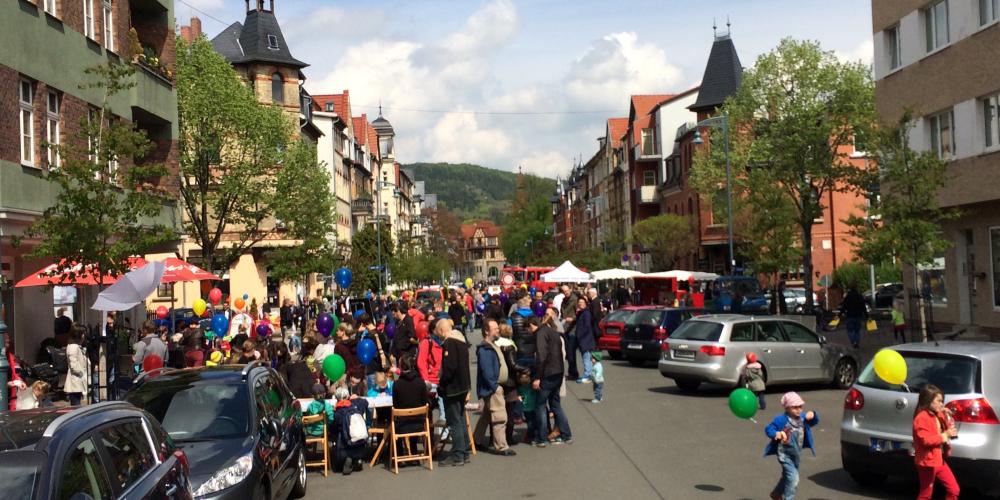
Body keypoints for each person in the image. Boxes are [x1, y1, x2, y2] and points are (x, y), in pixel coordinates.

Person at [764, 392, 820, 500]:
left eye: (800, 406)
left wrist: (813, 415)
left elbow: (814, 421)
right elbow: (769, 429)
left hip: (796, 454)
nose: (799, 409)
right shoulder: (781, 420)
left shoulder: (802, 418)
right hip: (785, 455)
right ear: (787, 408)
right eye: (795, 407)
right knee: (794, 479)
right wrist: (776, 433)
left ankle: (776, 493)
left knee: (787, 477)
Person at [474, 318, 515, 456]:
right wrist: (494, 386)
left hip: (493, 387)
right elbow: (486, 371)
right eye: (495, 328)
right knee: (499, 416)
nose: (498, 330)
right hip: (493, 388)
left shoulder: (492, 345)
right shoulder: (485, 348)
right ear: (487, 331)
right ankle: (501, 446)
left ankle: (476, 440)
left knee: (486, 415)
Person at [529, 316, 572, 446]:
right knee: (555, 404)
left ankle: (542, 438)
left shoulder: (540, 334)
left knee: (540, 405)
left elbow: (541, 357)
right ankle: (566, 434)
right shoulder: (553, 332)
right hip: (558, 371)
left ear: (531, 326)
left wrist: (537, 377)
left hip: (547, 373)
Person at [912, 384, 960, 500]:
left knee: (954, 490)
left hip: (938, 459)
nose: (941, 404)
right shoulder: (921, 418)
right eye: (938, 401)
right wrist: (945, 435)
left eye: (942, 401)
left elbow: (948, 427)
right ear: (928, 401)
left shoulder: (937, 414)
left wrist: (946, 415)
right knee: (926, 494)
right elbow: (925, 439)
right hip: (927, 462)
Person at [437, 321, 472, 466]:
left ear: (441, 330)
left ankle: (458, 454)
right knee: (461, 418)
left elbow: (449, 367)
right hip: (463, 385)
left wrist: (442, 383)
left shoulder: (450, 343)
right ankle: (464, 450)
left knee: (455, 420)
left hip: (453, 387)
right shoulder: (461, 340)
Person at [332, 386, 369, 475]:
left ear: (337, 398)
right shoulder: (355, 406)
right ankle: (357, 459)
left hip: (345, 443)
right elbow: (365, 402)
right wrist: (356, 397)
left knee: (338, 431)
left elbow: (334, 427)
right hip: (359, 440)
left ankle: (348, 459)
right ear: (348, 396)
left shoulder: (338, 412)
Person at [417, 320, 445, 424]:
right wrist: (426, 380)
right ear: (434, 330)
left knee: (445, 408)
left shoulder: (445, 342)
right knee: (432, 410)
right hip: (431, 382)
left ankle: (445, 432)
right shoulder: (426, 343)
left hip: (443, 380)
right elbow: (421, 363)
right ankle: (434, 434)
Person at [65, 327, 90, 406]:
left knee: (77, 401)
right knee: (76, 405)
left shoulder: (77, 346)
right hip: (75, 380)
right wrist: (81, 373)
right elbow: (73, 365)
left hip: (78, 379)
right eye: (82, 333)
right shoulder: (73, 347)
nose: (83, 336)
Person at [574, 297, 596, 384]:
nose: (580, 304)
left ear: (586, 303)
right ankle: (588, 373)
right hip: (584, 339)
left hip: (586, 339)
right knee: (586, 357)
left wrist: (580, 335)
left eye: (582, 302)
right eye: (579, 302)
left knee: (586, 357)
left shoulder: (586, 313)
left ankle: (588, 374)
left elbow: (586, 327)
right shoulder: (582, 313)